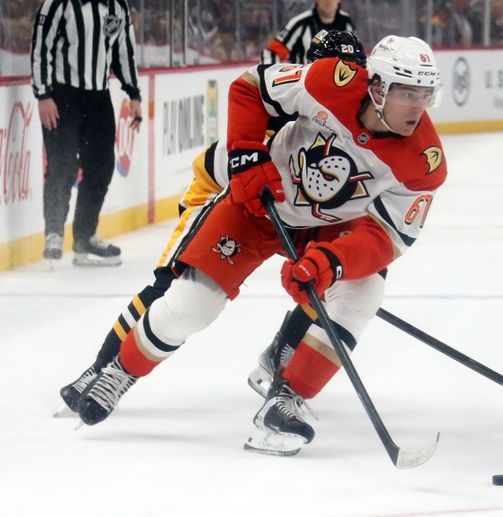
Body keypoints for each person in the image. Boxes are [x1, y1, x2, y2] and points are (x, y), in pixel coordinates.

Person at [71, 35, 446, 460]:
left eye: (425, 94)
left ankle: (285, 398)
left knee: (363, 292)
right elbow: (252, 86)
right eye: (406, 93)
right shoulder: (330, 81)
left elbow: (389, 236)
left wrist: (332, 262)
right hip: (257, 203)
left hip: (328, 227)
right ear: (376, 88)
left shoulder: (425, 160)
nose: (418, 107)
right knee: (192, 304)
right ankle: (118, 370)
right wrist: (248, 155)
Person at [57, 30, 368, 415]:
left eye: (353, 71)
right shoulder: (291, 101)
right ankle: (101, 370)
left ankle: (280, 353)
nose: (345, 81)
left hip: (293, 208)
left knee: (323, 276)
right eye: (336, 69)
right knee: (173, 283)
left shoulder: (357, 118)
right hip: (221, 190)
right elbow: (238, 154)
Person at [31, 0, 143, 266]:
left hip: (98, 98)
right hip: (62, 95)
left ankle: (84, 235)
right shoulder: (58, 3)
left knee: (101, 167)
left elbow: (124, 51)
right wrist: (43, 94)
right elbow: (40, 46)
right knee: (62, 164)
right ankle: (54, 234)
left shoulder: (118, 5)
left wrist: (134, 93)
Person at [261, 0, 354, 65]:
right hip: (302, 86)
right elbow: (271, 53)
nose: (328, 1)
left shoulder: (346, 22)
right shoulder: (300, 23)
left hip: (337, 85)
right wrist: (269, 80)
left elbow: (354, 55)